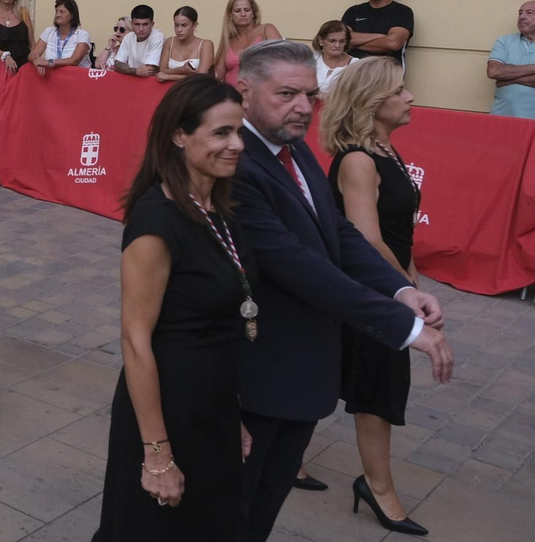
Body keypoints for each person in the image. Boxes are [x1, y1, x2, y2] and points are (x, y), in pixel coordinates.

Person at [229, 40, 454, 542]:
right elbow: (296, 264)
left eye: (310, 95)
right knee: (231, 510)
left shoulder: (294, 147)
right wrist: (402, 325)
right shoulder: (236, 163)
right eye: (287, 93)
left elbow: (338, 233)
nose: (303, 108)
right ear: (243, 91)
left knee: (265, 504)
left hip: (304, 374)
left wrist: (398, 289)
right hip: (258, 373)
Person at [92, 75, 253, 540]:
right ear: (179, 136)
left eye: (239, 131)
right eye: (221, 133)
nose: (237, 144)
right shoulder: (156, 221)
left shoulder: (217, 207)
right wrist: (157, 455)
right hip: (167, 408)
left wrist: (233, 413)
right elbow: (135, 342)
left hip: (214, 404)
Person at [319, 57, 429, 534]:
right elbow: (367, 238)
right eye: (400, 91)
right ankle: (378, 488)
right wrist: (404, 287)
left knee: (349, 375)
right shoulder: (359, 160)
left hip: (388, 283)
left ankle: (290, 458)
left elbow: (398, 230)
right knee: (376, 385)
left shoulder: (385, 149)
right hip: (370, 288)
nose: (410, 98)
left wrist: (414, 276)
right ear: (372, 102)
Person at [343, 0, 414, 69]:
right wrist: (380, 36)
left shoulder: (402, 12)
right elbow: (342, 39)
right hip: (354, 71)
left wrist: (354, 42)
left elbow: (392, 44)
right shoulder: (353, 11)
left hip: (387, 72)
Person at [215, 0, 281, 87]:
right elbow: (219, 72)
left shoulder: (266, 30)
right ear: (230, 15)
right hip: (233, 96)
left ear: (253, 13)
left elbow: (283, 59)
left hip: (260, 94)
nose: (243, 14)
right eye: (237, 11)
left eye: (247, 10)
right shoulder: (229, 40)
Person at [487, 0, 535, 119]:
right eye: (520, 13)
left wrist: (505, 80)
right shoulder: (503, 41)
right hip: (501, 117)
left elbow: (500, 75)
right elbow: (493, 71)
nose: (522, 16)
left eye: (529, 13)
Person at [29, 0, 92, 73]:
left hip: (76, 78)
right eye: (56, 11)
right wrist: (39, 63)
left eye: (62, 12)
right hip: (54, 77)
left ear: (72, 15)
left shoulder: (82, 35)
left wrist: (49, 62)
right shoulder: (49, 31)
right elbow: (32, 55)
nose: (57, 15)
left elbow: (74, 61)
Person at [156, 7, 214, 83]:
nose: (179, 30)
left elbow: (201, 76)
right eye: (176, 25)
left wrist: (169, 76)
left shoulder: (205, 44)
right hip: (171, 90)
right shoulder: (170, 42)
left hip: (195, 90)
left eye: (184, 25)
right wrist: (182, 70)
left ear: (194, 25)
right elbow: (162, 70)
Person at [112, 5, 167, 78]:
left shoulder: (157, 37)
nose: (141, 29)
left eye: (145, 24)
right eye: (137, 24)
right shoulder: (128, 37)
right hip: (132, 80)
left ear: (152, 24)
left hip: (151, 83)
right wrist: (136, 71)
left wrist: (128, 70)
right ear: (132, 24)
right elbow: (117, 65)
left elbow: (149, 70)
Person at [313, 20, 353, 96]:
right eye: (332, 41)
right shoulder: (311, 59)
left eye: (342, 41)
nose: (337, 45)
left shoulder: (354, 65)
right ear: (321, 40)